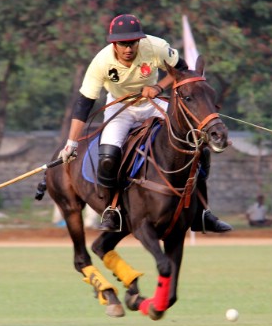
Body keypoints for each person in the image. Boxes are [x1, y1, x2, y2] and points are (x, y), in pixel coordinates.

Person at [57, 13, 231, 233]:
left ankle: (202, 213)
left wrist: (158, 88)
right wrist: (72, 142)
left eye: (133, 43)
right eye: (124, 44)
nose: (129, 48)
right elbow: (84, 104)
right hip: (120, 109)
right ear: (114, 44)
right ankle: (113, 209)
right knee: (109, 156)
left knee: (199, 147)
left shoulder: (156, 46)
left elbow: (182, 71)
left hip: (154, 103)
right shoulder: (101, 62)